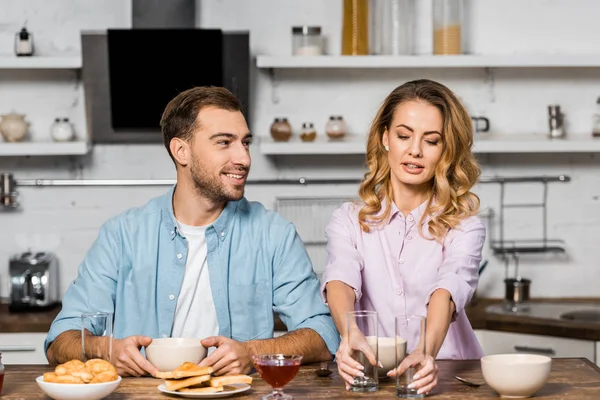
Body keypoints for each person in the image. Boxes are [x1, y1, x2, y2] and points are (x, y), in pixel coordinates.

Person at [45, 86, 340, 377]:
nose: (244, 159)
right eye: (224, 142)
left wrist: (252, 352)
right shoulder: (122, 235)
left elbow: (323, 334)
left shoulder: (273, 234)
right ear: (181, 151)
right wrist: (106, 349)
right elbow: (60, 340)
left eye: (245, 143)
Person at [321, 79, 486, 395]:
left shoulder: (465, 225)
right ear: (385, 138)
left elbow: (447, 289)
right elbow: (340, 278)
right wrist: (349, 333)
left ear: (447, 148)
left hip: (450, 378)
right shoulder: (348, 220)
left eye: (431, 140)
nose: (415, 150)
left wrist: (425, 349)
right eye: (403, 135)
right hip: (375, 377)